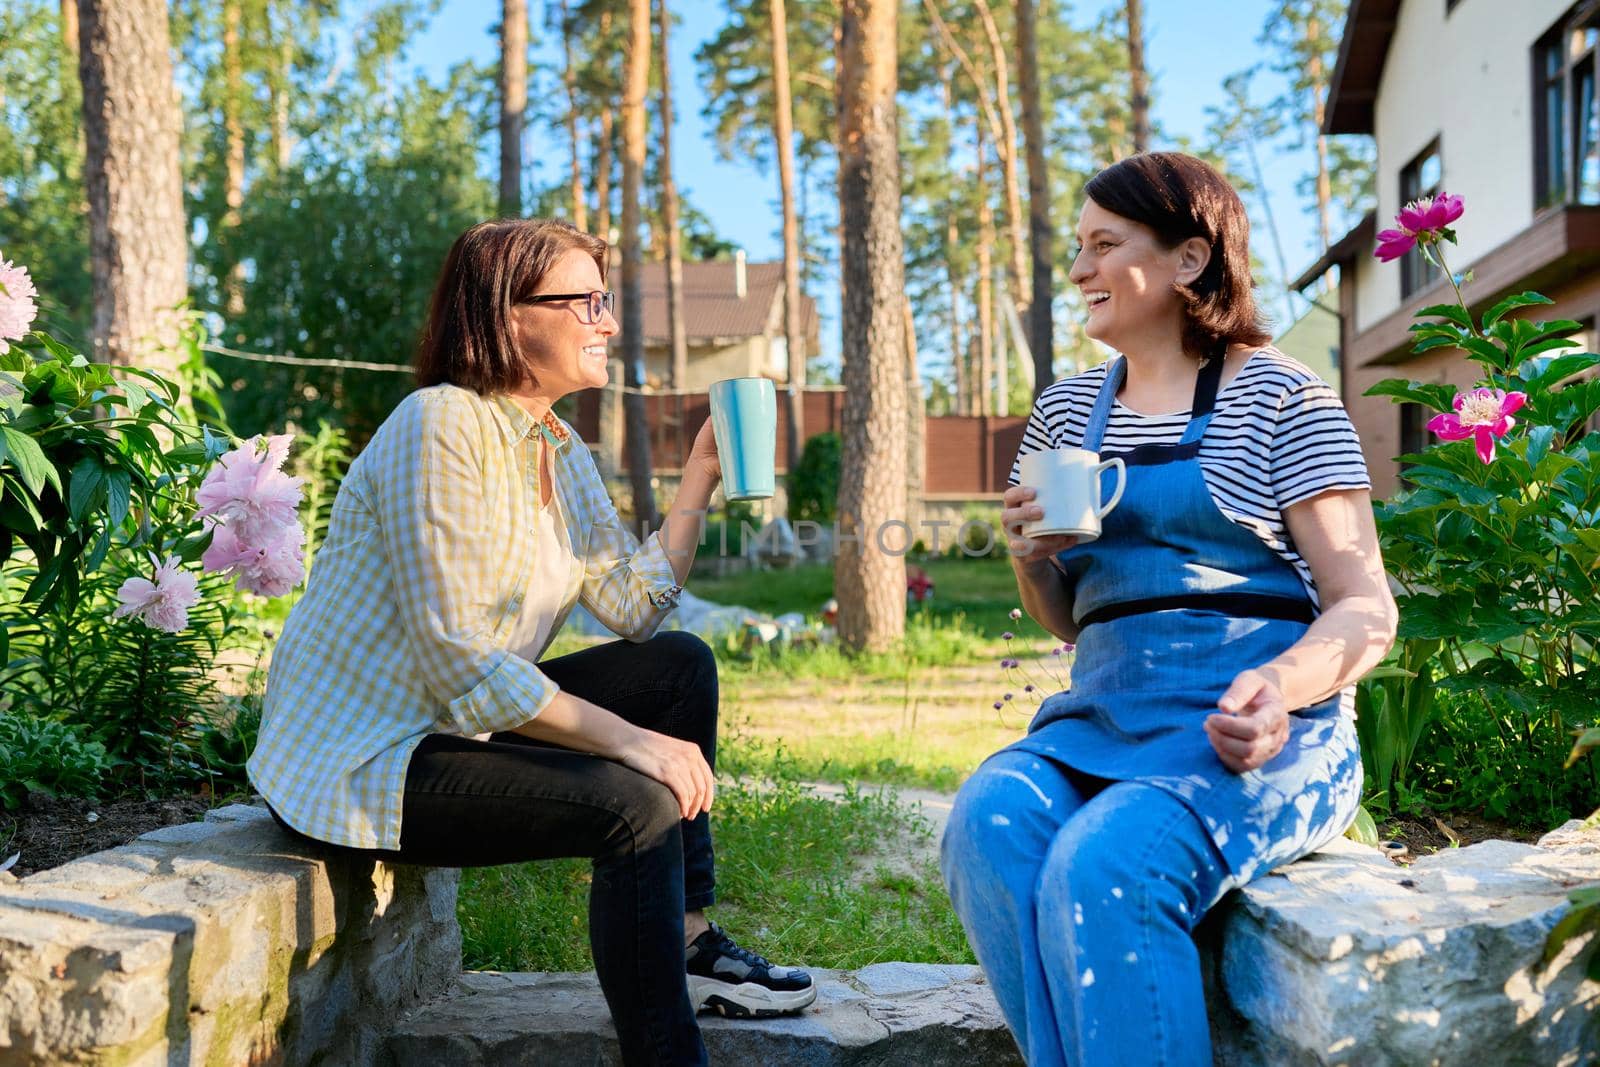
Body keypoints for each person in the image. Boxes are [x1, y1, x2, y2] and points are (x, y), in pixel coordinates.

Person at [247, 218, 815, 1067]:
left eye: (605, 299)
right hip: (364, 756)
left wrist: (699, 473)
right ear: (511, 317)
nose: (608, 322)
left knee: (678, 668)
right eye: (586, 301)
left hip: (447, 724)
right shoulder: (436, 425)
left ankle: (690, 937)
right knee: (637, 805)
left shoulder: (557, 447)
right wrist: (631, 743)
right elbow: (455, 654)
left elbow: (632, 606)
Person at [940, 153, 1397, 1067]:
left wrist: (1276, 687)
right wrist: (1033, 561)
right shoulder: (1064, 412)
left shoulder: (1282, 397)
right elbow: (1068, 622)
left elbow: (1364, 607)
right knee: (986, 820)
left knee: (1108, 863)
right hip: (1099, 720)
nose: (1077, 271)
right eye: (1078, 247)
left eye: (1103, 245)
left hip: (1259, 729)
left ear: (1190, 260)